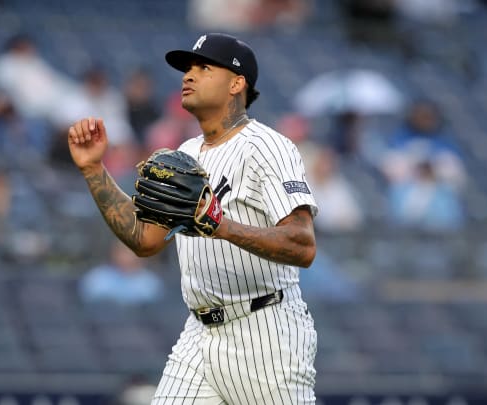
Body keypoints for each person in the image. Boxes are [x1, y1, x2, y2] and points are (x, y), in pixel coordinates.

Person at [69, 33, 318, 404]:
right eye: (187, 68)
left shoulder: (267, 147)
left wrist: (222, 226)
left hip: (265, 332)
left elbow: (303, 245)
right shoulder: (184, 153)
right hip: (199, 335)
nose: (188, 75)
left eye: (204, 67)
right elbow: (145, 241)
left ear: (237, 84)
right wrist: (93, 169)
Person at [78, 240, 164, 306]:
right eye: (123, 252)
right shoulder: (97, 278)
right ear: (114, 253)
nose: (128, 257)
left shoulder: (150, 282)